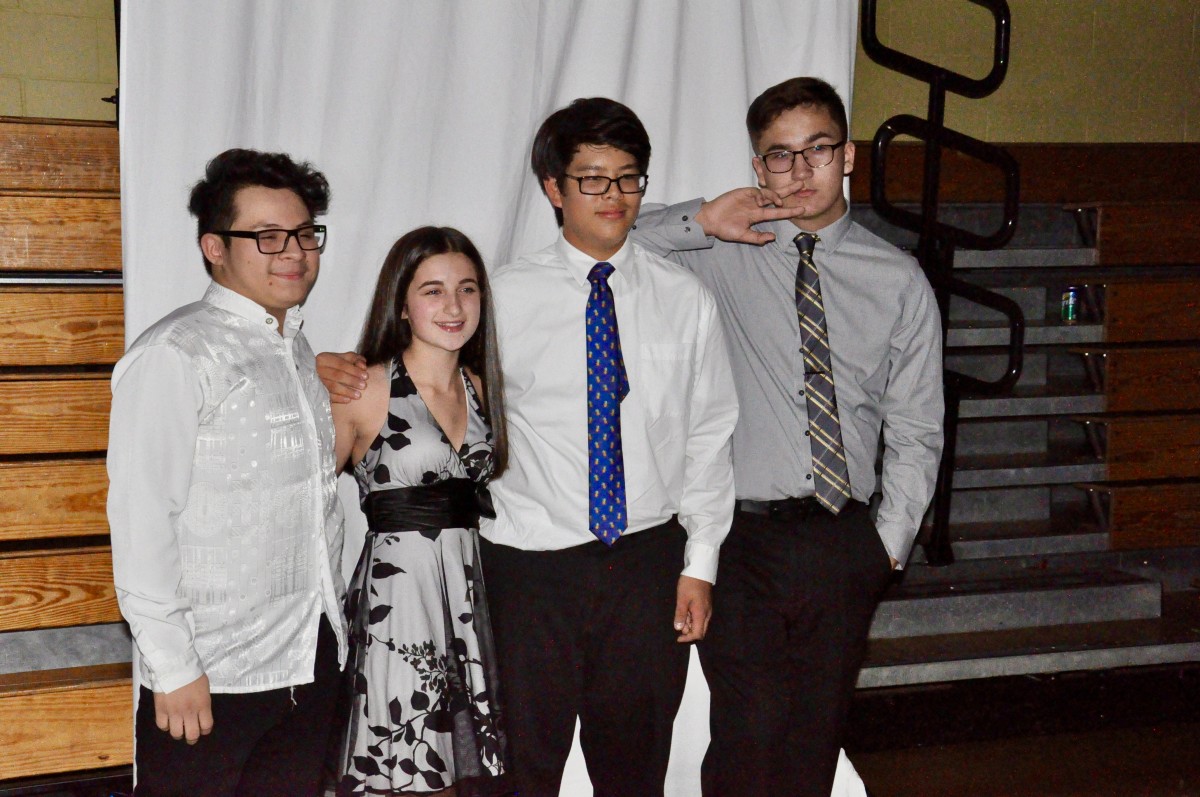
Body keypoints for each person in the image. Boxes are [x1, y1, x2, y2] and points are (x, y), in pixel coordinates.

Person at [318, 98, 744, 796]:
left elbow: (708, 432)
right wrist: (315, 366)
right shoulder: (498, 300)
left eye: (629, 178)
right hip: (525, 573)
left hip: (645, 563)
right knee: (519, 771)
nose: (615, 196)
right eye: (593, 180)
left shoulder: (685, 298)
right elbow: (411, 377)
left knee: (635, 769)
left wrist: (700, 562)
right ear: (554, 188)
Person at [632, 77, 945, 797]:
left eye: (816, 149)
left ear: (848, 156)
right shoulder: (724, 252)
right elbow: (613, 238)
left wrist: (886, 543)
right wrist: (704, 218)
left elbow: (918, 426)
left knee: (812, 739)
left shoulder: (896, 280)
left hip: (843, 540)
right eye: (779, 156)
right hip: (741, 543)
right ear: (757, 168)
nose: (799, 171)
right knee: (746, 733)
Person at [106, 148, 347, 796]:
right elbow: (143, 518)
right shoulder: (176, 353)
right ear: (214, 246)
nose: (293, 251)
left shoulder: (294, 346)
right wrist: (174, 665)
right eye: (266, 236)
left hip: (306, 659)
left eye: (303, 233)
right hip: (213, 678)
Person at [329, 226, 510, 797]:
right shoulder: (365, 388)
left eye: (468, 289)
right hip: (397, 602)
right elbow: (306, 504)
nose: (454, 306)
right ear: (401, 304)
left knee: (456, 773)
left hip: (466, 594)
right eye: (432, 290)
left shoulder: (480, 385)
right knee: (402, 763)